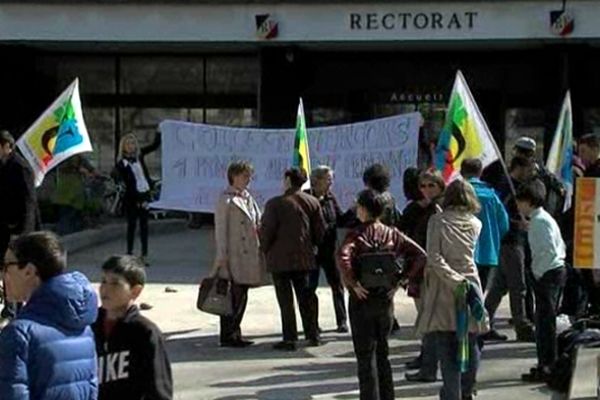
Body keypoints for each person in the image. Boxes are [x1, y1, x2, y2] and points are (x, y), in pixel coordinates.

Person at [338, 189, 426, 400]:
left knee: (365, 355)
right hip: (385, 298)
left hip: (362, 299)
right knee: (383, 353)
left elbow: (343, 256)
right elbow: (420, 255)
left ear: (364, 209)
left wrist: (353, 283)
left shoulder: (357, 234)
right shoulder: (393, 233)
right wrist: (402, 281)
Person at [0, 231, 98, 399]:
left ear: (29, 271)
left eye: (6, 266)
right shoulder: (84, 329)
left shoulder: (19, 334)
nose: (3, 275)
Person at [416, 180, 488, 400]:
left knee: (446, 343)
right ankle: (467, 390)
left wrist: (454, 280)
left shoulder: (437, 221)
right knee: (470, 337)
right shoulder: (475, 223)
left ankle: (452, 394)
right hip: (471, 283)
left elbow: (434, 257)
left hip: (443, 286)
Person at [260, 167, 325, 351]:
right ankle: (313, 335)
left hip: (279, 259)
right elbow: (320, 231)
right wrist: (313, 247)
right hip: (304, 258)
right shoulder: (312, 202)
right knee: (306, 297)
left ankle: (290, 338)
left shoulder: (275, 204)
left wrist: (263, 249)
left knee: (286, 300)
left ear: (288, 180)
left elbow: (267, 231)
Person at [93, 255, 173, 399]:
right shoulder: (90, 326)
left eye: (115, 283)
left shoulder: (144, 332)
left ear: (135, 291)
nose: (105, 289)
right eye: (103, 281)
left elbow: (159, 389)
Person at [515, 181, 567, 382]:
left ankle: (547, 364)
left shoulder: (541, 222)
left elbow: (549, 251)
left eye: (520, 202)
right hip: (550, 272)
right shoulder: (541, 220)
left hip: (548, 274)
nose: (518, 206)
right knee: (543, 321)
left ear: (528, 202)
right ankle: (545, 363)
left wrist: (537, 272)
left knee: (545, 323)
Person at [214, 161, 267, 347]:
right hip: (234, 255)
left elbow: (258, 222)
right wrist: (222, 258)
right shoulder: (226, 199)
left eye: (249, 176)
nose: (248, 179)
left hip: (249, 255)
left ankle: (235, 332)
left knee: (242, 294)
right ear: (234, 176)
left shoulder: (248, 197)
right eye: (245, 176)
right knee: (231, 296)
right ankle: (228, 335)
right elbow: (220, 230)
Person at [483, 156, 536, 342]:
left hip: (512, 241)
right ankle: (522, 325)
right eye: (529, 168)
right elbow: (500, 215)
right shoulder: (506, 187)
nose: (531, 172)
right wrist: (517, 224)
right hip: (510, 242)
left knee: (499, 286)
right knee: (517, 285)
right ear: (520, 167)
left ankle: (483, 322)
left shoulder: (515, 185)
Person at [402, 170, 445, 382]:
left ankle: (429, 365)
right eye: (423, 186)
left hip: (433, 270)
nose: (426, 190)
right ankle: (426, 357)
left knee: (430, 320)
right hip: (419, 268)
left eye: (431, 185)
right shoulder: (420, 208)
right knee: (424, 317)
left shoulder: (440, 210)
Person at [0, 130, 38, 322]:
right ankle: (8, 304)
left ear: (7, 146)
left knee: (16, 269)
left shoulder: (20, 167)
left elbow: (29, 202)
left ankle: (18, 307)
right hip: (4, 228)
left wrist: (21, 233)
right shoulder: (4, 165)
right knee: (5, 269)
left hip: (17, 230)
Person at [306, 165, 348, 333]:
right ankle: (312, 324)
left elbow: (340, 219)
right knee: (310, 287)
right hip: (313, 250)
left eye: (331, 179)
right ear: (317, 180)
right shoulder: (307, 197)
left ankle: (342, 321)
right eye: (328, 179)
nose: (331, 182)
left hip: (330, 249)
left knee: (337, 285)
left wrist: (354, 212)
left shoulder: (330, 198)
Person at [461, 158, 509, 291]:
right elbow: (504, 223)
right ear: (481, 172)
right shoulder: (492, 196)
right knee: (479, 292)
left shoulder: (458, 194)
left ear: (461, 171)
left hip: (462, 251)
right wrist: (493, 238)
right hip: (488, 252)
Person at [113, 132, 160, 266]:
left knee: (144, 226)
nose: (131, 146)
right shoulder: (121, 164)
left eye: (133, 143)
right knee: (132, 226)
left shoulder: (139, 157)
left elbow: (153, 146)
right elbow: (124, 183)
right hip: (132, 198)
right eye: (128, 143)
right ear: (123, 147)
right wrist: (137, 199)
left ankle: (144, 255)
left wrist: (159, 132)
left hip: (144, 194)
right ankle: (129, 254)